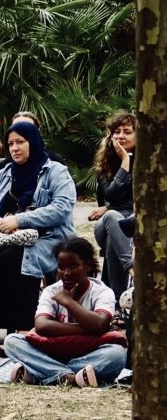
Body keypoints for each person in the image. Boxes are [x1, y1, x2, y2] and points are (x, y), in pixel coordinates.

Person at [0, 121, 76, 332]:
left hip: (48, 237)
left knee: (14, 257)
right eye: (11, 143)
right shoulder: (5, 172)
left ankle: (23, 324)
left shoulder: (56, 171)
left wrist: (20, 221)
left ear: (33, 142)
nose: (15, 148)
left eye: (20, 142)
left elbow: (62, 208)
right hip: (5, 235)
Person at [4, 238, 126, 387]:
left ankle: (40, 374)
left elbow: (99, 324)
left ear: (87, 265)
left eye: (73, 266)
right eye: (61, 267)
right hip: (53, 353)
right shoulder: (51, 291)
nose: (66, 273)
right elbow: (41, 326)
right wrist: (89, 329)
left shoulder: (102, 292)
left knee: (116, 354)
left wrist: (68, 302)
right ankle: (72, 377)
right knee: (12, 342)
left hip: (88, 353)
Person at [88, 111, 135, 297]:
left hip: (131, 222)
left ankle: (118, 301)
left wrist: (108, 208)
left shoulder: (150, 164)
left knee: (112, 239)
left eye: (127, 131)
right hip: (108, 221)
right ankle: (132, 270)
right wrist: (125, 161)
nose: (121, 136)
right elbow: (111, 196)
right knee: (112, 218)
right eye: (117, 131)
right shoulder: (106, 165)